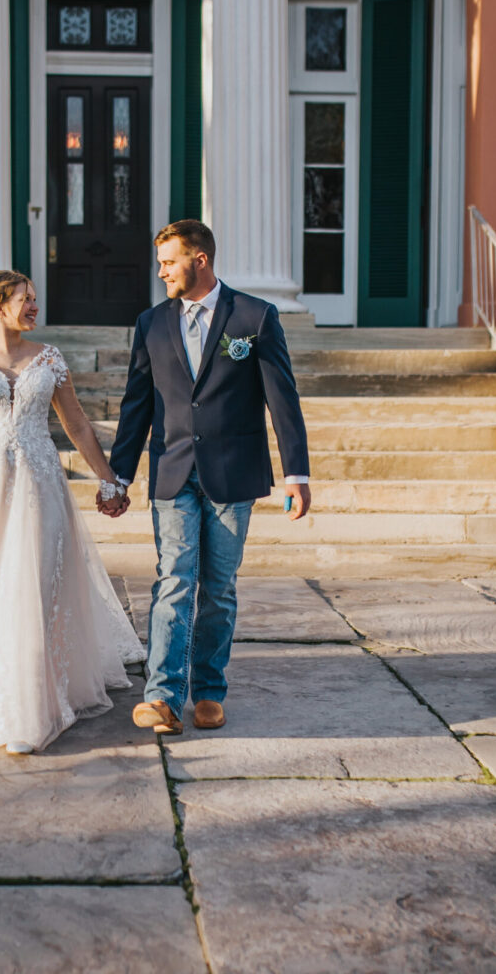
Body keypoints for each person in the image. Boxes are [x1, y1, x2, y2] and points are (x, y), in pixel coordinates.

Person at [0, 270, 144, 756]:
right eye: (25, 299)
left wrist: (108, 479)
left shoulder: (50, 360)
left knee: (39, 584)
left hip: (40, 486)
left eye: (36, 298)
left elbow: (76, 423)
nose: (35, 307)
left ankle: (37, 702)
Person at [99, 220, 310, 735]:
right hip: (172, 472)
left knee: (218, 588)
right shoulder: (151, 323)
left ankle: (209, 690)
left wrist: (296, 473)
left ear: (200, 260)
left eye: (169, 262)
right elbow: (137, 405)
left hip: (233, 476)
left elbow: (282, 398)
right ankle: (163, 697)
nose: (161, 271)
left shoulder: (255, 316)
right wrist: (118, 476)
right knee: (175, 580)